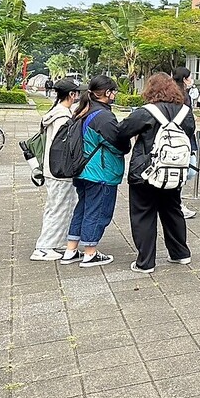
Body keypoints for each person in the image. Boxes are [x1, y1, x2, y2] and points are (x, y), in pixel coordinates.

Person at [118, 72, 194, 273]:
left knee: (143, 214)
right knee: (172, 210)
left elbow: (122, 131)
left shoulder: (145, 112)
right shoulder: (185, 111)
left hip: (145, 172)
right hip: (174, 171)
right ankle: (180, 253)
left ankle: (146, 262)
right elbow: (190, 136)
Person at [60, 75, 131, 268]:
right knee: (98, 211)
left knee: (82, 209)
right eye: (114, 91)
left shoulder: (83, 110)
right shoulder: (104, 117)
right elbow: (119, 145)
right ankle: (90, 253)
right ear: (107, 93)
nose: (115, 94)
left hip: (82, 170)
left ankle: (71, 249)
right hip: (100, 172)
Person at [29, 77, 82, 261]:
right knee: (58, 208)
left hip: (51, 168)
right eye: (76, 93)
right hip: (59, 170)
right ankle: (43, 247)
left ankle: (55, 243)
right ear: (71, 95)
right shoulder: (63, 117)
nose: (78, 97)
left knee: (57, 207)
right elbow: (64, 147)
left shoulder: (55, 113)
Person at [171, 67, 198, 219]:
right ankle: (176, 204)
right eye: (190, 77)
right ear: (184, 79)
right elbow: (188, 124)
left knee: (187, 171)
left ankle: (176, 202)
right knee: (186, 170)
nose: (191, 80)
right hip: (182, 140)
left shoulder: (183, 94)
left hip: (182, 139)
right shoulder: (181, 96)